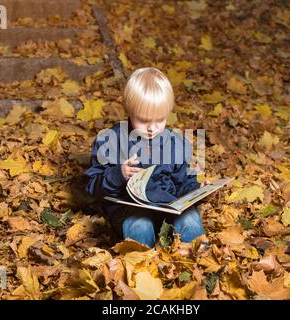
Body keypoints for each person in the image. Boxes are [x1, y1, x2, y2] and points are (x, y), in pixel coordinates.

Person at [85, 67, 209, 248]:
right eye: (143, 120)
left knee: (190, 220)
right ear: (129, 111)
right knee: (140, 226)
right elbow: (92, 187)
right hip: (129, 210)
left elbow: (183, 183)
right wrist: (118, 174)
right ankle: (141, 267)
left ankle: (199, 263)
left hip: (168, 206)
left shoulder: (175, 143)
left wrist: (199, 191)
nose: (152, 128)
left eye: (160, 120)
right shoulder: (110, 141)